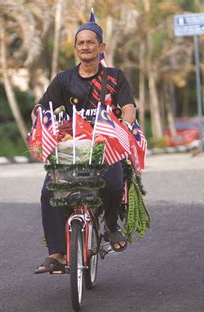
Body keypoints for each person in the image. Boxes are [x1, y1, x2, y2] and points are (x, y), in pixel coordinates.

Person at [34, 21, 136, 274]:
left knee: (112, 184)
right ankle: (57, 254)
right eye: (81, 42)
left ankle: (111, 226)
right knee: (49, 193)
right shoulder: (64, 79)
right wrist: (42, 122)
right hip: (73, 147)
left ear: (102, 47)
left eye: (91, 42)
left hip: (106, 145)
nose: (85, 46)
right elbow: (42, 106)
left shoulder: (115, 77)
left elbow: (128, 107)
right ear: (75, 48)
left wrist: (124, 126)